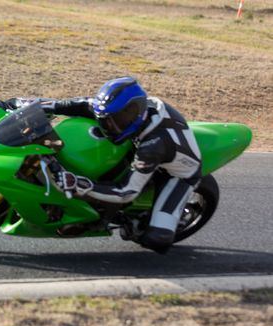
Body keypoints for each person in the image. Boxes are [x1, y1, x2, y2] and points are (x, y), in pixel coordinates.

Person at [41, 76, 202, 254]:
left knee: (156, 239)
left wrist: (80, 184)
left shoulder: (153, 145)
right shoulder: (119, 110)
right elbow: (72, 105)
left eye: (120, 119)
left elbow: (126, 192)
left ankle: (136, 223)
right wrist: (26, 105)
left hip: (177, 175)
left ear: (138, 111)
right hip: (144, 148)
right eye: (107, 120)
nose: (111, 126)